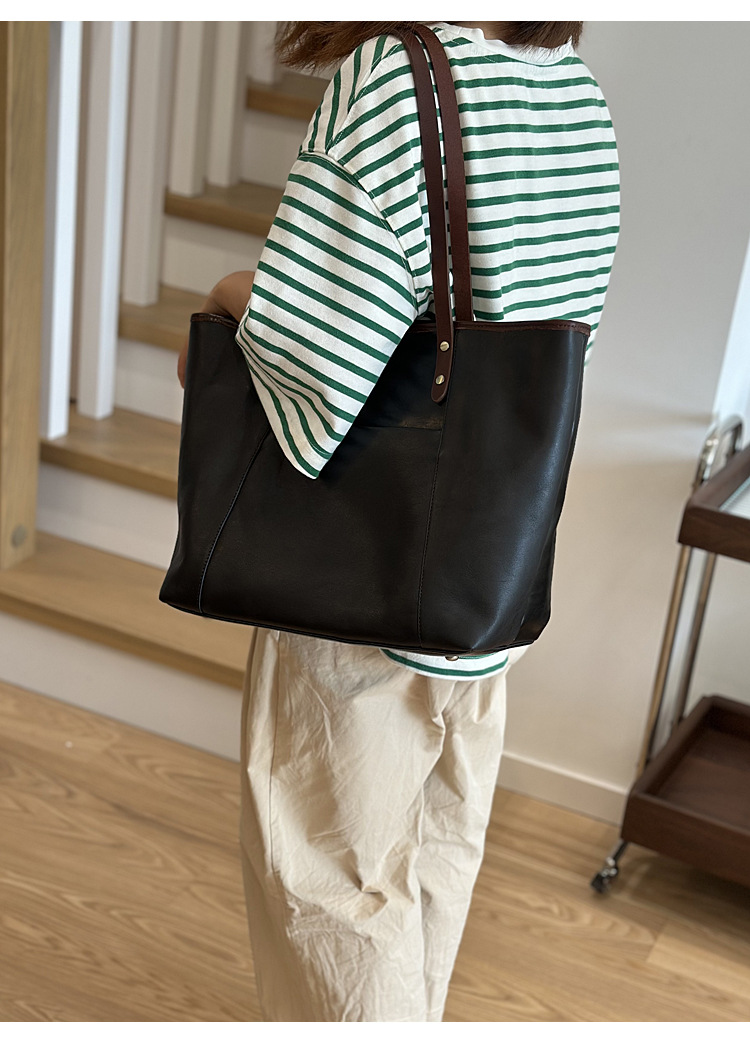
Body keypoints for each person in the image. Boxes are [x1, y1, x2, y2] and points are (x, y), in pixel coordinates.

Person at [177, 20, 619, 1022]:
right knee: (431, 863)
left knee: (335, 894)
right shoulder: (572, 92)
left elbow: (312, 360)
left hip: (363, 596)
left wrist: (231, 293)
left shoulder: (391, 82)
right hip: (489, 577)